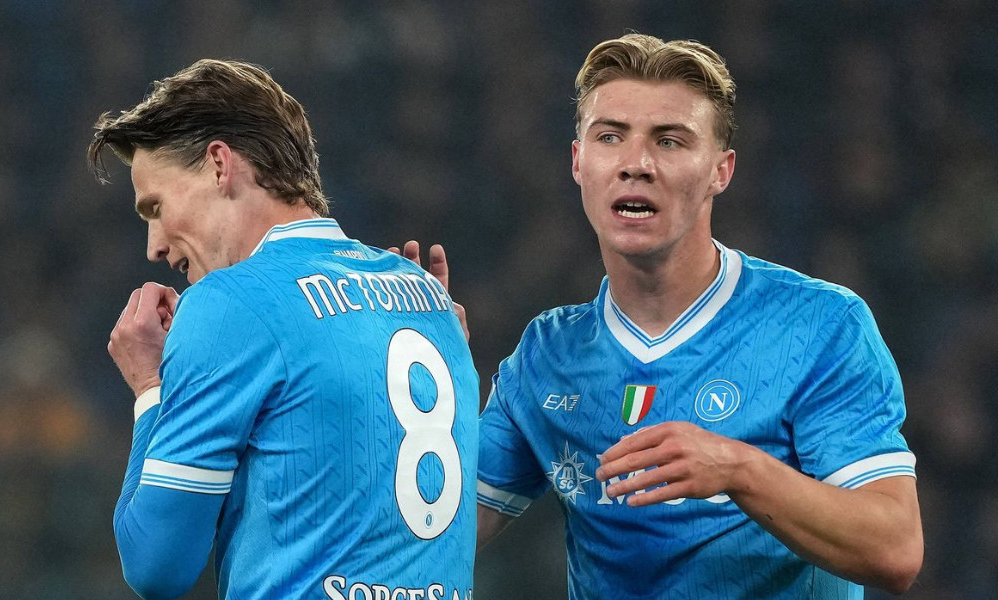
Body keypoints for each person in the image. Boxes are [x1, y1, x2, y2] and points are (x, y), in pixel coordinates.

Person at [472, 34, 923, 598]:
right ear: (578, 161)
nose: (636, 164)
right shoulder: (548, 355)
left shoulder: (819, 326)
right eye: (610, 136)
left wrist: (739, 469)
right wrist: (422, 375)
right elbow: (431, 534)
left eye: (669, 141)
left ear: (720, 171)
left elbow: (895, 548)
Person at [87, 59, 478, 600]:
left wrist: (150, 390)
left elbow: (156, 564)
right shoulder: (429, 298)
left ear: (219, 165)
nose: (154, 246)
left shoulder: (228, 303)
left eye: (155, 207)